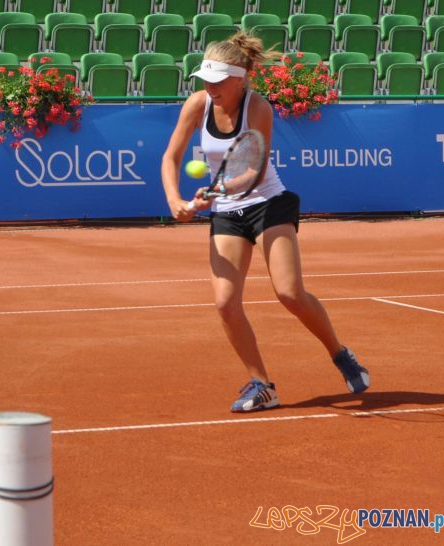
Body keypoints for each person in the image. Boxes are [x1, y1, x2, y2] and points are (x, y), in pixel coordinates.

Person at [160, 31, 369, 413]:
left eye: (218, 80)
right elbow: (171, 157)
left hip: (268, 203)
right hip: (228, 213)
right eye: (206, 79)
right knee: (225, 304)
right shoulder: (197, 103)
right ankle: (262, 385)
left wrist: (211, 193)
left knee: (289, 293)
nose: (210, 86)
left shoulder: (258, 108)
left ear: (239, 78)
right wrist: (175, 199)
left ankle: (339, 353)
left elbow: (253, 171)